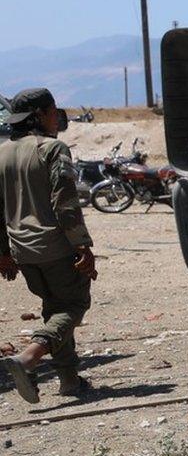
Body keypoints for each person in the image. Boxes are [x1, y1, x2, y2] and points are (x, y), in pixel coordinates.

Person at [0, 88, 99, 403]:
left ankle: (69, 380)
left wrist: (3, 253)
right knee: (73, 306)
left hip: (22, 251)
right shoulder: (52, 149)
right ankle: (29, 356)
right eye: (54, 110)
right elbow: (66, 203)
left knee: (54, 308)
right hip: (56, 247)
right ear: (39, 116)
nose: (58, 116)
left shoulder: (2, 153)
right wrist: (83, 246)